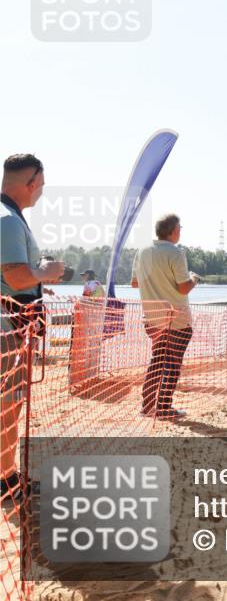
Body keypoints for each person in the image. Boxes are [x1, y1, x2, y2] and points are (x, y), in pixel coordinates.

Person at [1, 154, 65, 501]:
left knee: (10, 402)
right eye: (42, 184)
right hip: (8, 326)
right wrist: (46, 271)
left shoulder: (11, 218)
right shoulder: (9, 222)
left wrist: (38, 274)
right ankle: (6, 478)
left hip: (12, 323)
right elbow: (15, 275)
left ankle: (6, 474)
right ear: (32, 182)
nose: (42, 191)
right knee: (9, 404)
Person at [131, 214, 199, 419]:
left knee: (157, 360)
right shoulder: (176, 253)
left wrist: (155, 284)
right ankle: (164, 407)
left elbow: (135, 283)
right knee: (173, 364)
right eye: (180, 227)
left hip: (152, 319)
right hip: (176, 319)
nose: (181, 230)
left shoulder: (142, 252)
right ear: (174, 230)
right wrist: (195, 279)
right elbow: (184, 287)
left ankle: (148, 405)